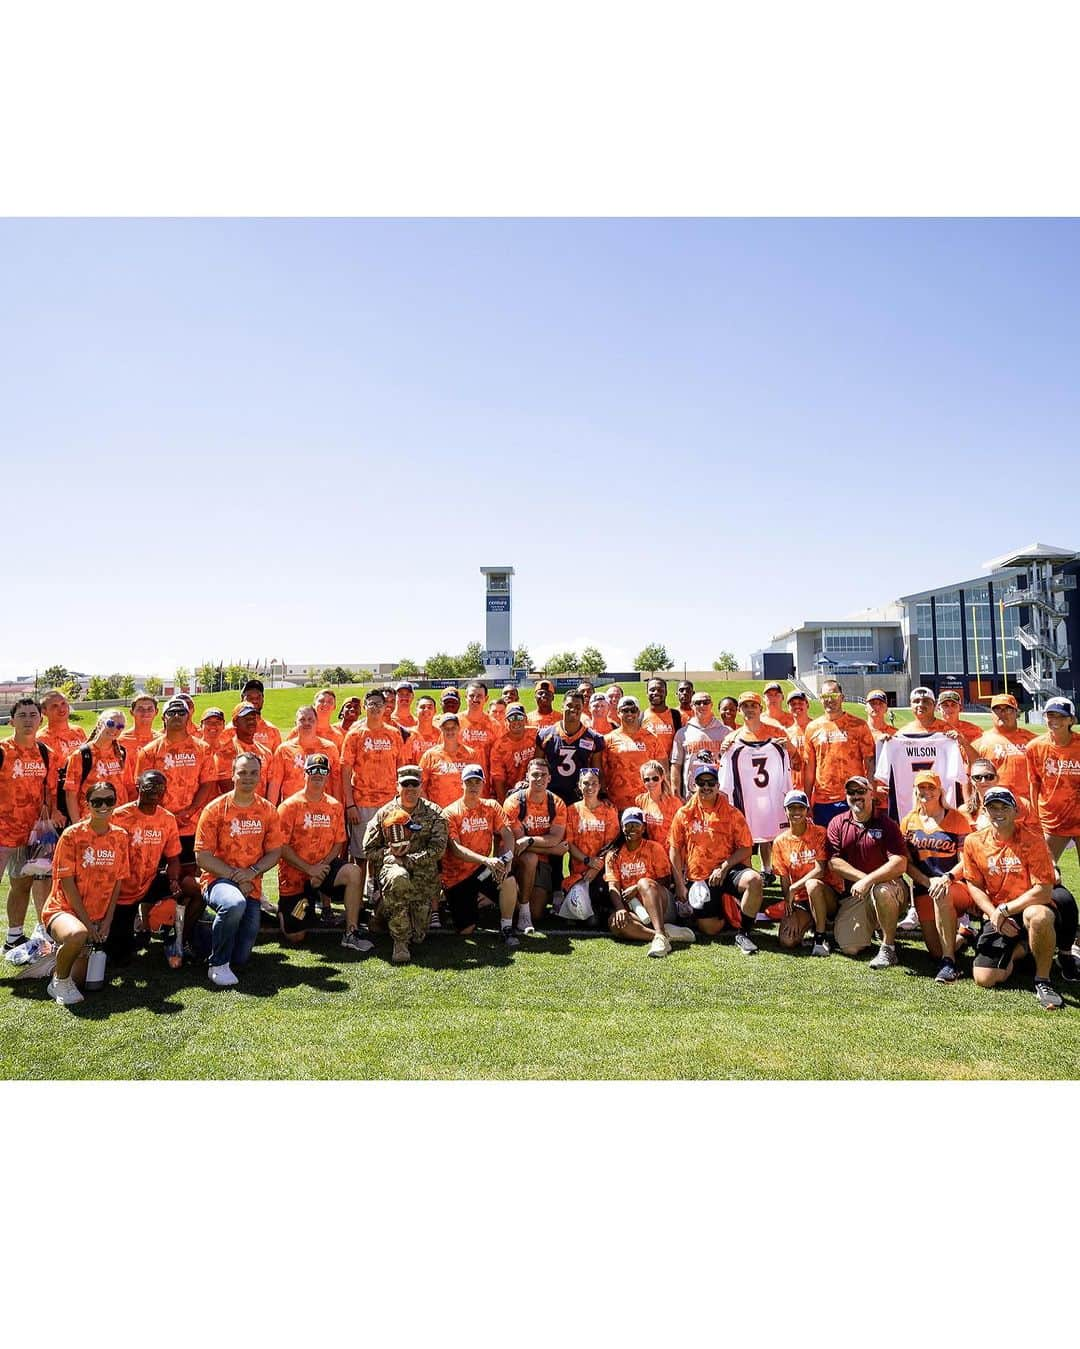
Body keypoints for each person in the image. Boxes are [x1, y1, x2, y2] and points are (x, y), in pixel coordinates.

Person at [963, 786, 1074, 1010]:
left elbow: (1043, 890)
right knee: (985, 978)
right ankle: (1024, 948)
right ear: (984, 811)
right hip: (999, 913)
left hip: (1027, 906)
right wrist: (994, 914)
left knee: (1039, 916)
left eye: (1004, 806)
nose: (998, 812)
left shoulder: (1032, 839)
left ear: (1016, 811)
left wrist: (1004, 910)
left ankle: (1043, 980)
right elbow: (973, 884)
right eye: (992, 807)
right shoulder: (973, 842)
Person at [194, 751, 283, 987]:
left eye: (253, 773)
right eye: (242, 772)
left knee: (241, 957)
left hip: (250, 883)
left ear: (260, 776)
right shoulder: (214, 809)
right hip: (218, 880)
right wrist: (236, 877)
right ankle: (217, 964)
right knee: (233, 903)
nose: (248, 777)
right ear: (233, 775)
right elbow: (202, 857)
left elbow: (275, 852)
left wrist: (251, 872)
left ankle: (198, 932)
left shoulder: (268, 810)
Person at [40, 780, 129, 1006]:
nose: (103, 806)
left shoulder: (120, 836)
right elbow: (67, 883)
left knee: (80, 980)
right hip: (64, 910)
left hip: (97, 916)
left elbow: (118, 880)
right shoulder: (72, 835)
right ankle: (58, 982)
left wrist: (107, 921)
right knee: (77, 935)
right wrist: (88, 925)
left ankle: (59, 960)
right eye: (96, 801)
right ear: (87, 804)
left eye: (109, 800)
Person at [277, 753, 369, 952]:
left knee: (354, 871)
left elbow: (338, 842)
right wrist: (309, 869)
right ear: (305, 773)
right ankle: (286, 911)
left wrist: (322, 868)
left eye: (323, 771)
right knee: (296, 936)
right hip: (296, 875)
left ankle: (351, 932)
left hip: (323, 870)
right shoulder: (289, 806)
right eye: (313, 770)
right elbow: (281, 847)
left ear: (327, 775)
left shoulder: (334, 806)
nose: (318, 774)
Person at [668, 762, 763, 953]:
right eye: (701, 782)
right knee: (710, 929)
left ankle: (743, 933)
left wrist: (724, 867)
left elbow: (746, 848)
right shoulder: (684, 813)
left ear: (718, 786)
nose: (706, 787)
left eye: (710, 782)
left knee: (754, 880)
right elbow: (675, 849)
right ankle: (728, 907)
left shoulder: (732, 813)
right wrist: (679, 883)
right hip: (700, 878)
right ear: (694, 785)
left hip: (727, 871)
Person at [816, 775, 909, 967]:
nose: (856, 796)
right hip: (857, 893)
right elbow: (834, 862)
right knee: (850, 947)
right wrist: (864, 879)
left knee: (880, 891)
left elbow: (900, 863)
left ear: (871, 793)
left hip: (890, 887)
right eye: (851, 792)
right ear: (846, 795)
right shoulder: (837, 823)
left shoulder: (887, 824)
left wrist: (870, 881)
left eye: (861, 791)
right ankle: (877, 924)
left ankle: (888, 948)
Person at [110, 770, 198, 966]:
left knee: (195, 888)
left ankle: (179, 941)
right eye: (149, 786)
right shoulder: (118, 816)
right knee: (118, 957)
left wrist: (174, 881)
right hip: (122, 890)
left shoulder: (167, 819)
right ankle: (138, 929)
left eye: (160, 787)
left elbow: (173, 858)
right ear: (138, 787)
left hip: (150, 881)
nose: (155, 791)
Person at [363, 765, 449, 966]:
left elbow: (438, 849)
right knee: (398, 878)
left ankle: (382, 911)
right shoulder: (384, 813)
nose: (410, 789)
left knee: (418, 936)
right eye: (405, 784)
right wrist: (391, 855)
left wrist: (411, 859)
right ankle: (400, 943)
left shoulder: (435, 813)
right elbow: (368, 848)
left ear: (421, 786)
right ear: (397, 786)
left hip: (422, 875)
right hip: (393, 867)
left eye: (414, 784)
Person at [136, 697, 217, 890]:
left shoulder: (203, 749)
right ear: (163, 718)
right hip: (158, 825)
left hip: (192, 823)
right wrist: (167, 815)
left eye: (181, 712)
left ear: (188, 717)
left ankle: (189, 918)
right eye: (171, 712)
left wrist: (189, 811)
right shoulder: (149, 751)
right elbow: (141, 788)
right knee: (156, 877)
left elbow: (207, 783)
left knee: (191, 876)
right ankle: (153, 918)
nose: (177, 716)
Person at [900, 771, 973, 983]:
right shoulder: (908, 822)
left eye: (931, 787)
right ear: (915, 790)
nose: (926, 792)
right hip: (924, 888)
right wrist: (926, 881)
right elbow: (907, 864)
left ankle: (950, 964)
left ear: (940, 790)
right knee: (934, 952)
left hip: (954, 886)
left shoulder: (958, 819)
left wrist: (947, 878)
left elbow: (966, 860)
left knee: (943, 894)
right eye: (922, 787)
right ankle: (964, 936)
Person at [1, 697, 61, 952]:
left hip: (31, 834)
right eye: (22, 715)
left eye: (33, 714)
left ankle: (14, 936)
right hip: (2, 832)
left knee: (22, 883)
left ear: (40, 719)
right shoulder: (3, 750)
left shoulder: (47, 754)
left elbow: (50, 792)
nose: (28, 720)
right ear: (12, 720)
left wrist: (54, 811)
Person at [441, 763, 519, 947]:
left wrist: (507, 859)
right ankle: (452, 900)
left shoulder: (491, 806)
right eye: (470, 782)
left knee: (508, 879)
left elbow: (507, 834)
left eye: (478, 782)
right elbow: (456, 849)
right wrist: (486, 860)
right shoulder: (450, 813)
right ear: (462, 784)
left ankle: (506, 928)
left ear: (483, 784)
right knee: (466, 930)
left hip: (483, 870)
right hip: (457, 877)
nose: (474, 786)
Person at [717, 691, 792, 878]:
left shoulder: (777, 733)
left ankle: (776, 874)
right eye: (745, 706)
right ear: (740, 711)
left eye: (753, 706)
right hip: (747, 798)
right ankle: (751, 878)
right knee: (745, 840)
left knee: (776, 838)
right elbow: (724, 771)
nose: (749, 710)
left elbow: (794, 759)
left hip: (771, 796)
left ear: (760, 708)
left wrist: (788, 748)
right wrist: (723, 752)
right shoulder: (733, 740)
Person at [340, 690, 405, 899]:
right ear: (365, 707)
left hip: (389, 804)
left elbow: (401, 768)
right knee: (361, 854)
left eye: (379, 703)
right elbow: (346, 770)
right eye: (371, 703)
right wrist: (350, 804)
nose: (375, 707)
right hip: (362, 802)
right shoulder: (355, 734)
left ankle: (378, 894)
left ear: (386, 707)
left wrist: (401, 803)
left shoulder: (393, 734)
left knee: (386, 852)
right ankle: (357, 901)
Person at [605, 807, 692, 957]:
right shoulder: (613, 855)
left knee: (644, 883)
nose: (632, 828)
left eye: (636, 824)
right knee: (615, 922)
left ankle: (659, 933)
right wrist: (620, 909)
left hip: (661, 906)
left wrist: (638, 887)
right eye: (628, 824)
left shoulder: (654, 848)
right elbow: (613, 885)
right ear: (622, 827)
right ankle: (661, 935)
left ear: (643, 827)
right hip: (637, 910)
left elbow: (665, 880)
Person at [771, 790, 840, 955]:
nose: (796, 812)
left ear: (807, 810)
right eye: (792, 808)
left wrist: (794, 888)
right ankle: (812, 922)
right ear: (785, 810)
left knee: (812, 884)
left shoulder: (819, 833)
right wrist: (792, 910)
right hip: (801, 900)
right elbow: (784, 881)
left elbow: (820, 870)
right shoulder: (779, 842)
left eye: (800, 808)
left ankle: (820, 937)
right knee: (787, 940)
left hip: (825, 893)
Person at [801, 679, 877, 827]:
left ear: (842, 697)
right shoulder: (812, 728)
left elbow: (870, 763)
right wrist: (807, 799)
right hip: (824, 800)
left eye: (834, 695)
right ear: (820, 699)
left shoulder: (859, 725)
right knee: (827, 846)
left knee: (855, 845)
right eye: (825, 697)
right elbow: (809, 768)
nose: (830, 700)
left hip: (854, 796)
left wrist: (870, 794)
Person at [504, 758, 567, 932]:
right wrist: (553, 849)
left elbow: (554, 837)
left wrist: (530, 840)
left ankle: (512, 898)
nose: (539, 779)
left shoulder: (557, 804)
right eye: (535, 775)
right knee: (530, 858)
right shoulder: (514, 802)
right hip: (514, 858)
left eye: (543, 775)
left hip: (543, 861)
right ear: (527, 777)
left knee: (537, 913)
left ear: (549, 778)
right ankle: (522, 909)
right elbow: (518, 845)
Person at [1025, 696, 1080, 873]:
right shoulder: (1035, 747)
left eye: (1061, 716)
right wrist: (1034, 818)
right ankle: (1055, 901)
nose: (1055, 721)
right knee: (1044, 872)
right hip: (1051, 819)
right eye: (1051, 716)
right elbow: (1034, 784)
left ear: (1071, 719)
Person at [562, 766, 619, 913]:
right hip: (579, 872)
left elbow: (611, 845)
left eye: (594, 783)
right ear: (579, 786)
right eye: (586, 783)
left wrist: (596, 867)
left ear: (600, 786)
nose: (590, 787)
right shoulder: (571, 810)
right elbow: (569, 843)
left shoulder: (609, 810)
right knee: (583, 914)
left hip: (602, 871)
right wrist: (588, 860)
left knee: (597, 914)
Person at [535, 691, 604, 804]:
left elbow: (597, 769)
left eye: (578, 706)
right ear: (562, 706)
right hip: (551, 795)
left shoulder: (593, 738)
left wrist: (602, 794)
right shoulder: (546, 735)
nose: (573, 709)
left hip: (580, 796)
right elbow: (536, 766)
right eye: (569, 705)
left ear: (583, 709)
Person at [63, 708, 131, 822]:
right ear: (100, 724)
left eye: (120, 727)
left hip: (118, 821)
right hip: (90, 820)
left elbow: (128, 787)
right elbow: (71, 794)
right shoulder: (81, 755)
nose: (115, 729)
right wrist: (76, 825)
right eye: (110, 724)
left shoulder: (122, 754)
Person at [268, 705, 342, 806]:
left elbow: (336, 782)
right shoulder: (284, 750)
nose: (307, 723)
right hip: (292, 809)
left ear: (317, 722)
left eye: (310, 719)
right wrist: (271, 812)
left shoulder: (330, 748)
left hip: (322, 810)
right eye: (302, 719)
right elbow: (275, 783)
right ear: (295, 723)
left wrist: (338, 809)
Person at [601, 696, 660, 814]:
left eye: (633, 710)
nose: (629, 713)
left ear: (638, 713)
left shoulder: (652, 738)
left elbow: (662, 770)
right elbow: (600, 770)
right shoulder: (608, 739)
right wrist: (602, 795)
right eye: (625, 710)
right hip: (616, 803)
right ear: (618, 712)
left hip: (646, 804)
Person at [971, 693, 1035, 796]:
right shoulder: (979, 742)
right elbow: (969, 778)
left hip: (1027, 804)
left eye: (1008, 709)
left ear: (1016, 713)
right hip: (995, 804)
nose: (1002, 713)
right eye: (997, 709)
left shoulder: (1032, 740)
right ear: (991, 713)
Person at [671, 691, 729, 796]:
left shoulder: (726, 732)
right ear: (692, 706)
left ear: (712, 705)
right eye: (698, 703)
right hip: (692, 793)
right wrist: (676, 793)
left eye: (706, 702)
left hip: (719, 791)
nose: (702, 705)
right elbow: (676, 765)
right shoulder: (683, 733)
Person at [418, 712, 474, 811]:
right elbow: (420, 787)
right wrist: (430, 811)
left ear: (459, 729)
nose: (450, 731)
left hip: (463, 813)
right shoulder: (430, 755)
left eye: (453, 727)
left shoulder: (471, 754)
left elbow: (478, 784)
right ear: (441, 729)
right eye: (446, 728)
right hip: (439, 814)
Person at [960, 757, 1033, 829]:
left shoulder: (1022, 805)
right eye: (977, 777)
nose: (983, 781)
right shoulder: (965, 810)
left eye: (989, 777)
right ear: (971, 780)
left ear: (997, 778)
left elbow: (1034, 834)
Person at [489, 703, 540, 801]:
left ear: (525, 720)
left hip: (537, 787)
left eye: (519, 717)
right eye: (511, 718)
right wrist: (503, 801)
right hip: (512, 793)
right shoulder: (499, 746)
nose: (516, 721)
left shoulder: (536, 735)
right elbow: (498, 779)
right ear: (506, 722)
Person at [636, 758, 683, 846]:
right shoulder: (640, 801)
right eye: (647, 779)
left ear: (662, 778)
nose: (651, 782)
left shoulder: (675, 803)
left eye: (655, 778)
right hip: (649, 850)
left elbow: (681, 831)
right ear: (643, 781)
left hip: (669, 851)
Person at [459, 681, 500, 774]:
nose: (475, 699)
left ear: (486, 699)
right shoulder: (455, 722)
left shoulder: (494, 725)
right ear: (465, 697)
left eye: (479, 696)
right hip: (458, 780)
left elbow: (499, 757)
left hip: (484, 780)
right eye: (471, 696)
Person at [37, 688, 87, 762]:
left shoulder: (79, 731)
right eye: (55, 706)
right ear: (44, 711)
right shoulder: (40, 739)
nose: (61, 709)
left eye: (63, 703)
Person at [119, 692, 160, 782]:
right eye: (140, 709)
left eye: (150, 709)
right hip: (128, 794)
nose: (145, 712)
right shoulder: (120, 741)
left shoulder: (161, 741)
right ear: (131, 712)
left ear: (156, 712)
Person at [641, 678, 682, 763]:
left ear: (666, 692)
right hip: (648, 768)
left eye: (660, 690)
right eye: (652, 690)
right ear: (647, 693)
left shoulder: (675, 715)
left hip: (670, 766)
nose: (656, 693)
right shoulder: (641, 716)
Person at [234, 678, 281, 751]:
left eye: (258, 696)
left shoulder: (272, 731)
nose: (254, 700)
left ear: (263, 699)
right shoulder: (231, 729)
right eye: (250, 697)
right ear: (242, 699)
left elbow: (278, 760)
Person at [198, 707, 233, 796]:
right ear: (201, 725)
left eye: (218, 723)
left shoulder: (230, 752)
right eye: (208, 723)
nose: (213, 726)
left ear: (224, 726)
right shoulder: (193, 751)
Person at [784, 690, 812, 790]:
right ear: (788, 708)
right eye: (793, 704)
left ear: (807, 705)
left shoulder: (817, 728)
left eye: (800, 703)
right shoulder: (786, 733)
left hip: (816, 788)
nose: (797, 706)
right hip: (794, 787)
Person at [401, 695, 441, 765]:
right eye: (422, 707)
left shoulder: (440, 735)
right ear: (415, 711)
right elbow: (405, 762)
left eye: (429, 707)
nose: (426, 710)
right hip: (414, 774)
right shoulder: (408, 734)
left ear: (435, 711)